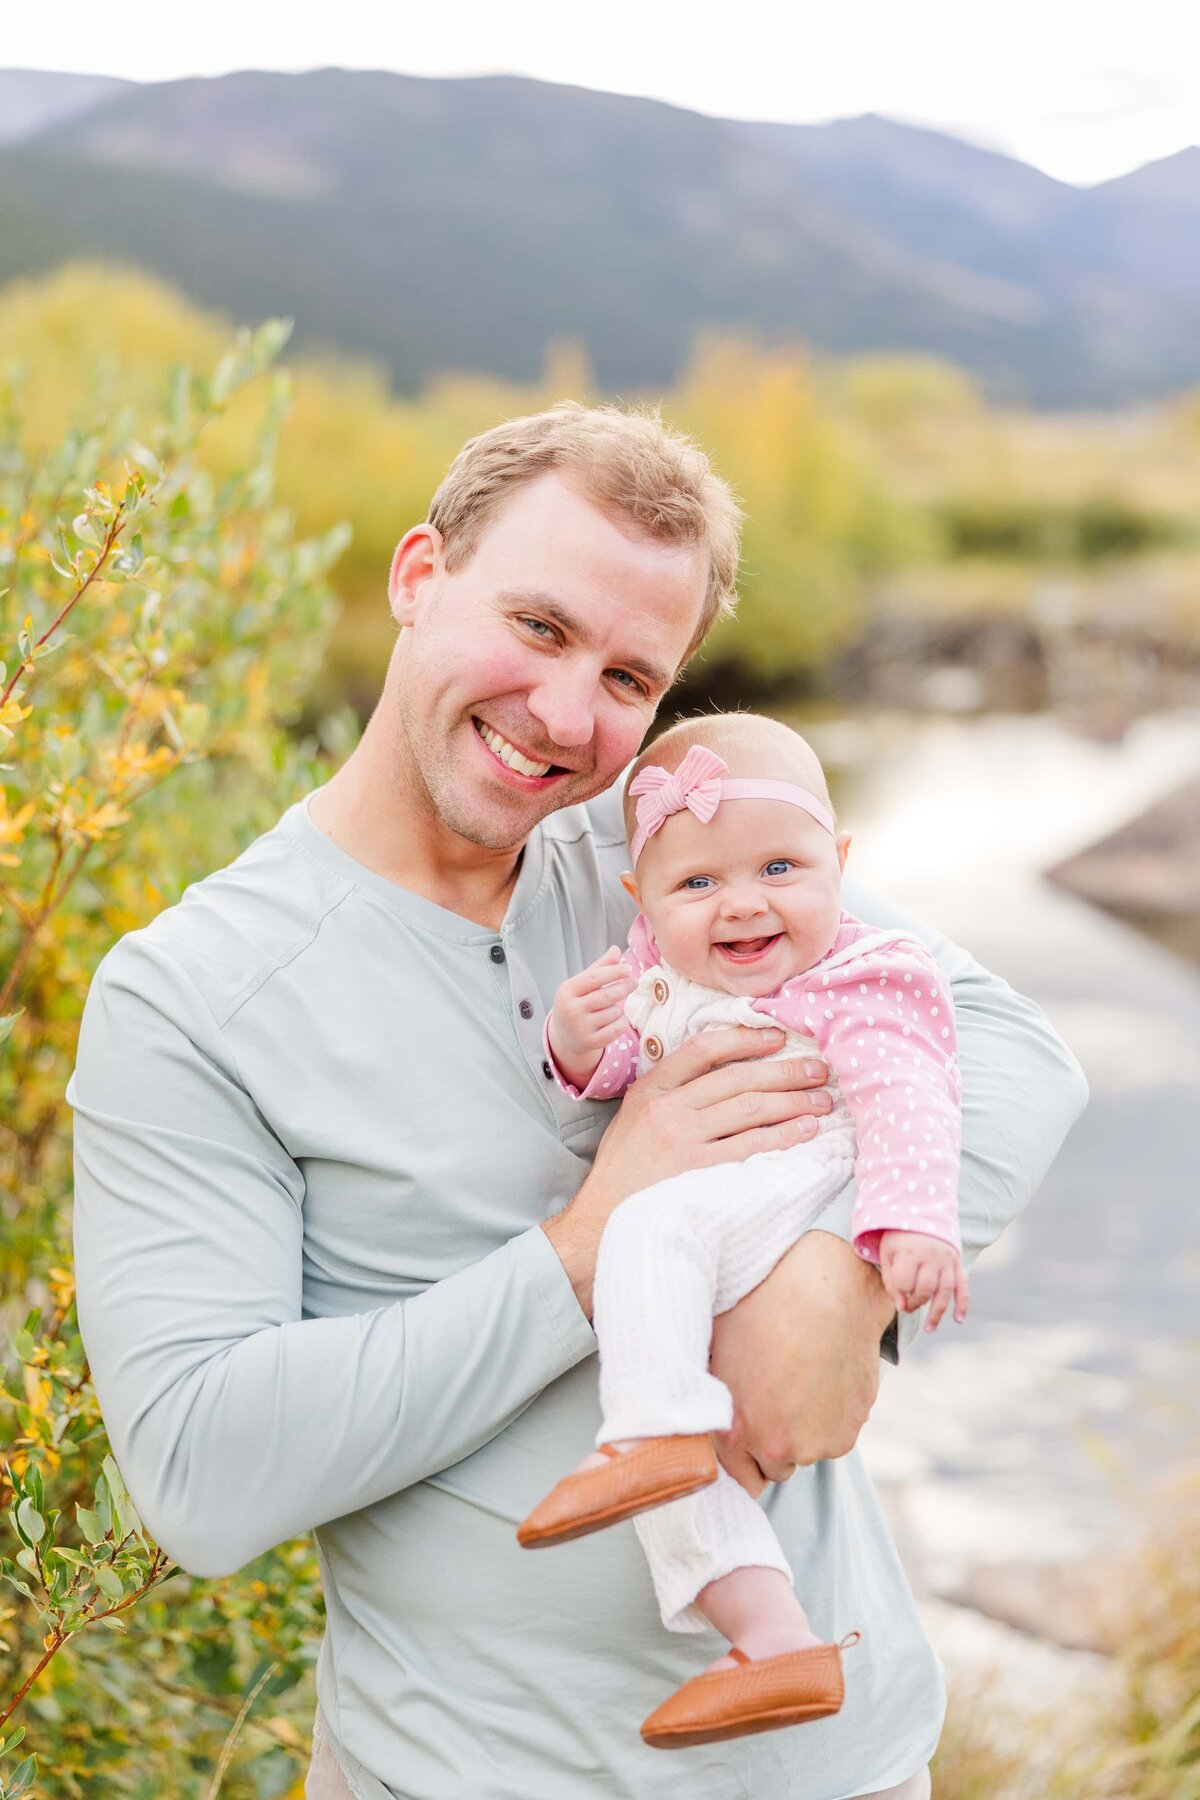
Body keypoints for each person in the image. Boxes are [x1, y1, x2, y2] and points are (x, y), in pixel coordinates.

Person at [69, 403, 1088, 1800]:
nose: (566, 717)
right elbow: (200, 1471)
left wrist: (827, 1284)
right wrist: (587, 1244)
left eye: (629, 676)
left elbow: (1013, 1053)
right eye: (539, 628)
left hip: (839, 1768)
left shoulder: (677, 859)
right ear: (420, 575)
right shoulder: (192, 994)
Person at [520, 713, 969, 1751]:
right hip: (724, 1230)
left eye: (779, 866)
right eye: (698, 885)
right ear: (642, 903)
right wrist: (577, 1044)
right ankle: (770, 1637)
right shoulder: (660, 982)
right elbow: (611, 1084)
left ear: (840, 865)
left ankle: (653, 1432)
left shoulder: (859, 975)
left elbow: (911, 1093)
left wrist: (910, 1220)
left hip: (798, 1174)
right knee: (683, 1491)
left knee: (650, 1224)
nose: (745, 904)